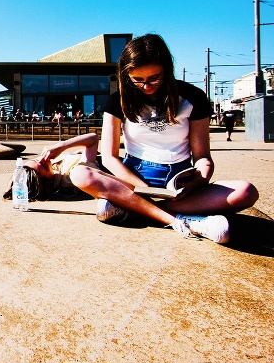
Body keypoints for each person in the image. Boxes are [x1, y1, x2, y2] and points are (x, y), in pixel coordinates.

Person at [66, 34, 258, 244]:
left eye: (154, 78)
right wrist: (142, 188)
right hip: (133, 180)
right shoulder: (117, 100)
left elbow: (202, 157)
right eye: (137, 80)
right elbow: (111, 157)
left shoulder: (193, 97)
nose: (146, 86)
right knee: (80, 174)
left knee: (246, 192)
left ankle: (133, 209)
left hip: (179, 182)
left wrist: (200, 179)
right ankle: (183, 220)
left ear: (167, 69)